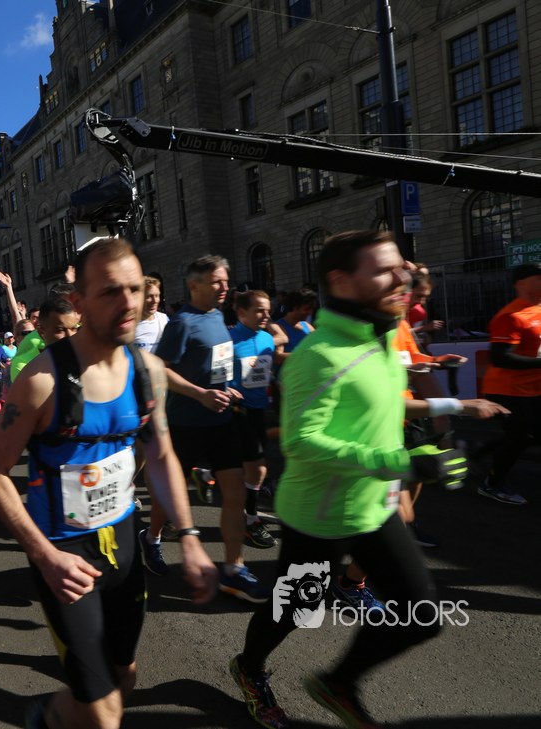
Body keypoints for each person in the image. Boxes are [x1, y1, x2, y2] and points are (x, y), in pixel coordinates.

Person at [230, 230, 460, 729]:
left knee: (421, 617)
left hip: (372, 507)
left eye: (401, 267)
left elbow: (380, 407)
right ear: (340, 280)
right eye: (385, 270)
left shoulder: (381, 335)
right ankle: (249, 668)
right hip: (320, 516)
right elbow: (301, 442)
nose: (401, 278)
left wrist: (446, 416)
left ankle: (338, 682)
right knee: (297, 609)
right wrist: (401, 463)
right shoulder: (319, 354)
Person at [0, 238, 216, 729]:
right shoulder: (42, 380)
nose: (128, 302)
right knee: (104, 713)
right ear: (80, 302)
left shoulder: (148, 372)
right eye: (110, 291)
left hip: (124, 544)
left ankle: (54, 715)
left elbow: (161, 454)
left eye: (134, 289)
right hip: (64, 555)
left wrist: (191, 537)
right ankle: (53, 715)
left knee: (124, 678)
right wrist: (44, 556)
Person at [153, 255, 268, 601]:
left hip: (221, 420)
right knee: (168, 498)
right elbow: (159, 369)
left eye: (225, 281)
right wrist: (200, 394)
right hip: (185, 425)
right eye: (217, 281)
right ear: (195, 285)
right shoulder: (181, 322)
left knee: (235, 494)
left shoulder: (218, 316)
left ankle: (234, 569)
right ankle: (152, 537)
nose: (224, 287)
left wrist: (225, 387)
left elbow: (217, 363)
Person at [468, 261, 541, 506]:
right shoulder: (510, 316)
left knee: (528, 435)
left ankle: (477, 452)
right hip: (507, 389)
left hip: (534, 388)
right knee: (522, 436)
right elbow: (501, 358)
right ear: (522, 283)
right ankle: (492, 484)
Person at [228, 290, 281, 550]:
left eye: (268, 310)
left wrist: (277, 381)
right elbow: (215, 376)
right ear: (242, 312)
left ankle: (205, 475)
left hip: (260, 409)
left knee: (245, 470)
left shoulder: (267, 339)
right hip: (238, 410)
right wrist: (226, 389)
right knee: (258, 470)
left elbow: (266, 370)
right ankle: (251, 521)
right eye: (260, 310)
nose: (266, 315)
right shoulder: (228, 340)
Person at [134, 275, 169, 353]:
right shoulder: (130, 324)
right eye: (149, 296)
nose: (155, 300)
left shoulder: (164, 319)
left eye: (157, 295)